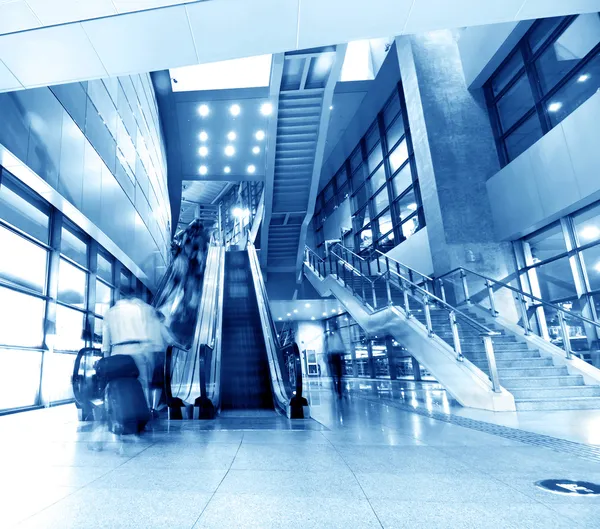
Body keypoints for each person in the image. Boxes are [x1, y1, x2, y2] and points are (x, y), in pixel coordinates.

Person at [326, 321, 345, 399]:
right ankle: (336, 389)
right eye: (330, 327)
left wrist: (342, 353)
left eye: (332, 326)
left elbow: (341, 345)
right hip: (331, 355)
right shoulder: (328, 337)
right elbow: (327, 347)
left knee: (339, 374)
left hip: (337, 355)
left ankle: (339, 390)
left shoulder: (337, 335)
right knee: (334, 374)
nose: (331, 328)